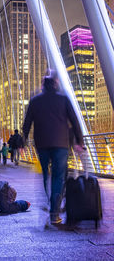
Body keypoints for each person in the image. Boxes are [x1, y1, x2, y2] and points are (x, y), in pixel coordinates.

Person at [23, 70, 84, 224]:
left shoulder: (35, 100)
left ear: (43, 84)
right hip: (61, 144)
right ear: (56, 82)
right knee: (58, 176)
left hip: (42, 143)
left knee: (45, 173)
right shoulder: (63, 99)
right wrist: (79, 142)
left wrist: (22, 143)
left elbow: (27, 123)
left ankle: (50, 200)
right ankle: (54, 211)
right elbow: (75, 122)